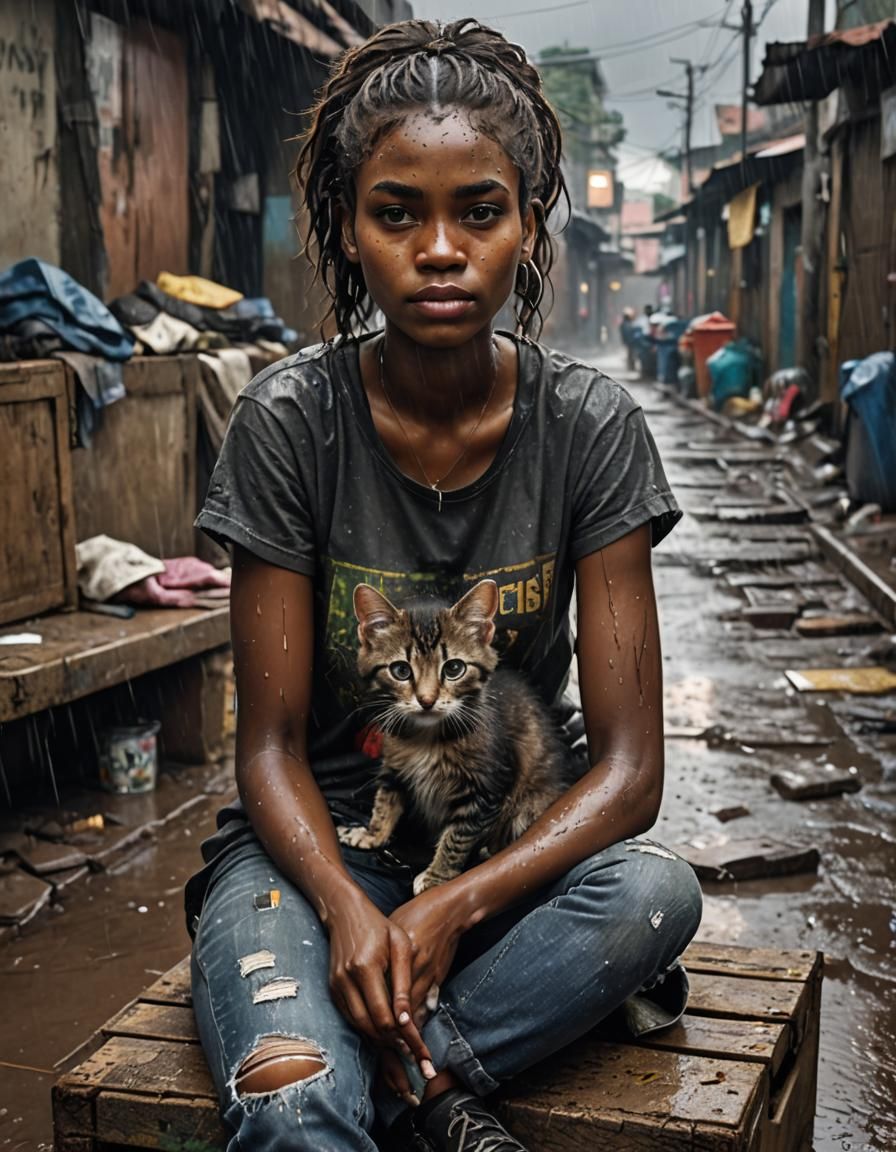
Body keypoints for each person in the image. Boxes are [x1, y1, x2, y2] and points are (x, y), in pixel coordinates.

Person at [186, 18, 703, 1152]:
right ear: (346, 229)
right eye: (395, 213)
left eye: (478, 210)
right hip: (310, 855)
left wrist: (448, 903)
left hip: (491, 859)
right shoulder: (288, 425)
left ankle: (411, 1075)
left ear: (526, 227)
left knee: (653, 895)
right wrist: (344, 905)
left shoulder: (588, 430)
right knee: (288, 1109)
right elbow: (266, 747)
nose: (438, 248)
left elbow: (626, 772)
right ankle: (431, 1090)